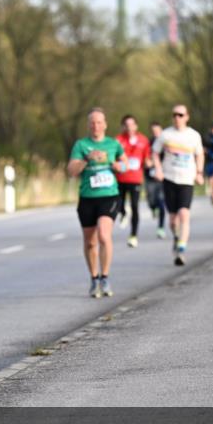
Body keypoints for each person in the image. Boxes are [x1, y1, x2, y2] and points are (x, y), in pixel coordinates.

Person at [67, 108, 127, 297]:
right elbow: (72, 171)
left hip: (109, 196)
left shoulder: (113, 144)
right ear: (88, 125)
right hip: (87, 198)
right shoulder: (81, 145)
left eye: (99, 122)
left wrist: (119, 166)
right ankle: (94, 278)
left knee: (103, 234)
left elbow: (126, 164)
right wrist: (87, 158)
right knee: (90, 242)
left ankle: (105, 277)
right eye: (92, 122)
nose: (96, 126)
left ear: (105, 124)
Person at [152, 105, 205, 266]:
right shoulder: (165, 134)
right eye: (175, 114)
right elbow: (155, 152)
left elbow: (200, 154)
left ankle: (181, 249)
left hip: (186, 179)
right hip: (169, 178)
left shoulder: (193, 135)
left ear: (187, 117)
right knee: (173, 220)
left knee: (184, 214)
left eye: (181, 115)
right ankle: (176, 237)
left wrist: (199, 173)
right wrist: (158, 169)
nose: (177, 117)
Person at [115, 114, 151, 248]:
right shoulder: (118, 140)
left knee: (135, 206)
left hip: (135, 179)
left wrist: (149, 163)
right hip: (120, 178)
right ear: (123, 126)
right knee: (119, 203)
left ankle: (133, 235)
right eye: (126, 125)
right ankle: (123, 212)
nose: (129, 127)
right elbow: (112, 157)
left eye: (132, 125)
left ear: (136, 126)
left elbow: (147, 158)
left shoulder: (143, 140)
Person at [145, 121, 166, 238]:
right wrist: (147, 162)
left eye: (158, 131)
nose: (156, 133)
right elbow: (144, 156)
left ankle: (161, 227)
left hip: (163, 176)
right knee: (151, 199)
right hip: (150, 176)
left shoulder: (166, 144)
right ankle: (153, 208)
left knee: (162, 201)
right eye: (154, 131)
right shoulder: (148, 143)